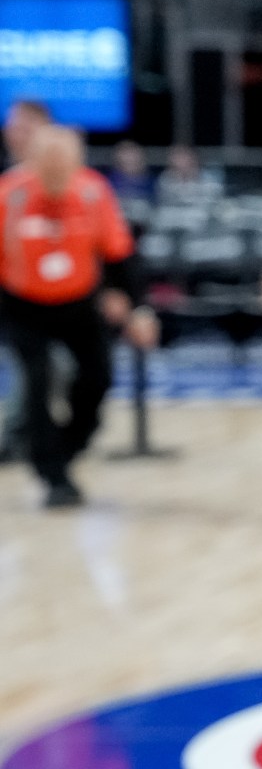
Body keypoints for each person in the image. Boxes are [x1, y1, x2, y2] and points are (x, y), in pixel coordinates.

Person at [0, 126, 138, 507]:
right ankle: (53, 476)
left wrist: (131, 303)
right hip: (22, 306)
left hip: (79, 303)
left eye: (65, 165)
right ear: (32, 162)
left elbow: (117, 253)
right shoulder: (9, 196)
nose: (57, 174)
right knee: (38, 381)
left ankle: (67, 447)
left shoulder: (93, 192)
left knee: (98, 378)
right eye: (49, 166)